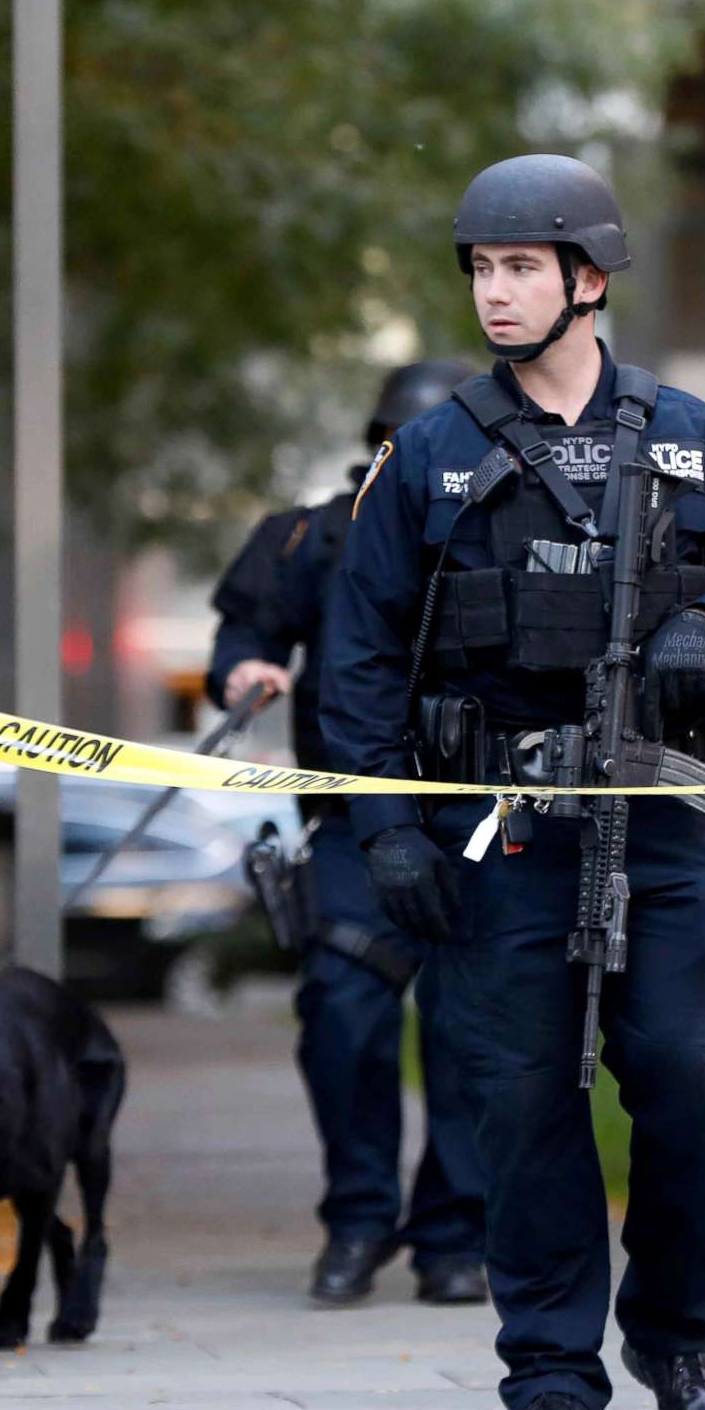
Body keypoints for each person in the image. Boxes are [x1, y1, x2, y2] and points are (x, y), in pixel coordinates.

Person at [320, 154, 705, 1410]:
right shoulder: (426, 456)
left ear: (588, 281)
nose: (495, 291)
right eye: (482, 267)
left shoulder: (694, 439)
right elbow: (358, 655)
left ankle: (675, 1331)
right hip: (502, 827)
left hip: (659, 809)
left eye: (522, 266)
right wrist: (384, 827)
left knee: (692, 1064)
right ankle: (549, 1372)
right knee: (521, 1094)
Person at [207, 359, 488, 1308]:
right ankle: (360, 1222)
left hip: (480, 819)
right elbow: (244, 634)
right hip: (355, 816)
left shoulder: (512, 532)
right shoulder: (310, 538)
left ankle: (454, 1234)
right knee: (342, 1013)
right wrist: (245, 674)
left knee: (473, 1029)